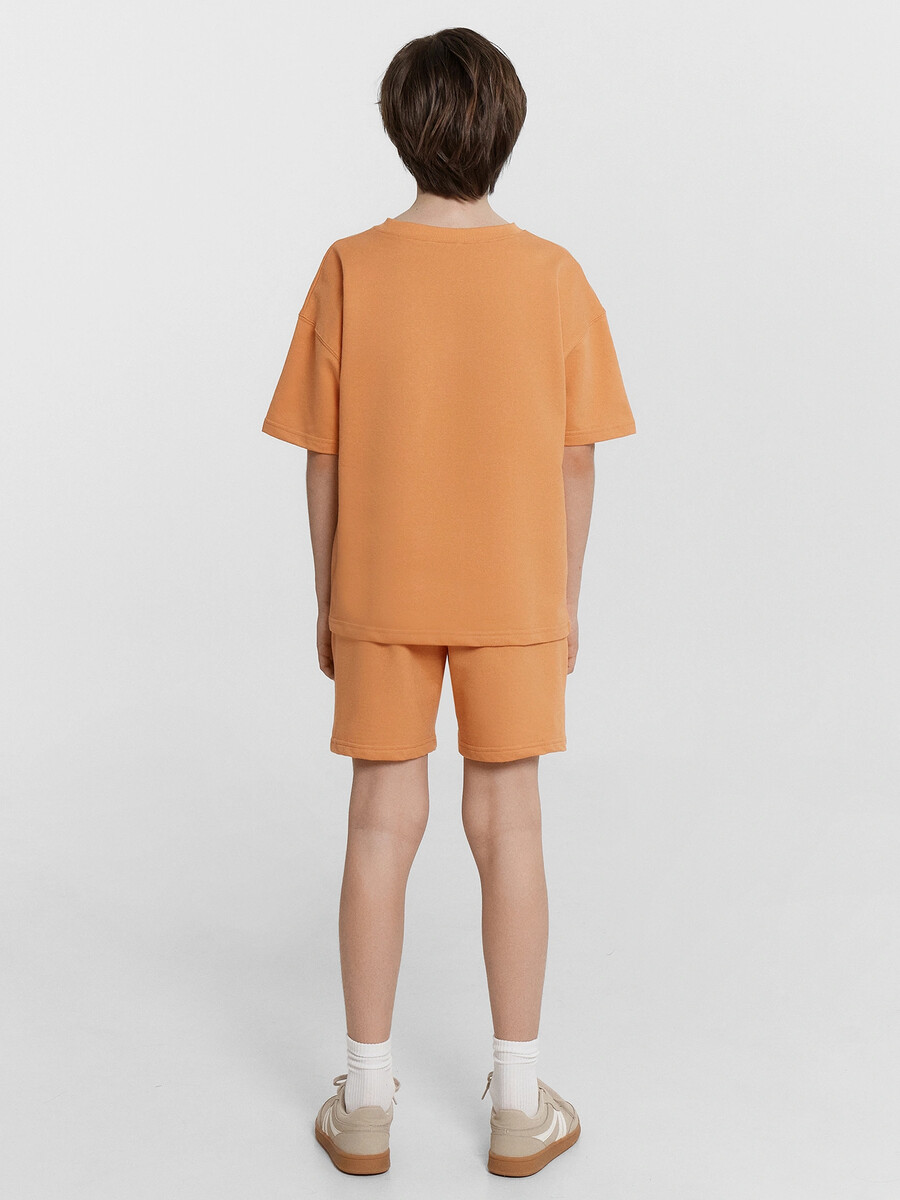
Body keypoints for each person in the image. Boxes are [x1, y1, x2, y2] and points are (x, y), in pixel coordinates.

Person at [261, 26, 636, 1178]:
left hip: (379, 584)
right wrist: (562, 601)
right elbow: (577, 459)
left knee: (381, 822)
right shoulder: (553, 275)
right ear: (507, 129)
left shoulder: (350, 267)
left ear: (398, 126)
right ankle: (520, 1102)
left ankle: (367, 1099)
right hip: (515, 587)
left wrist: (330, 596)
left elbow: (322, 457)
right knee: (508, 822)